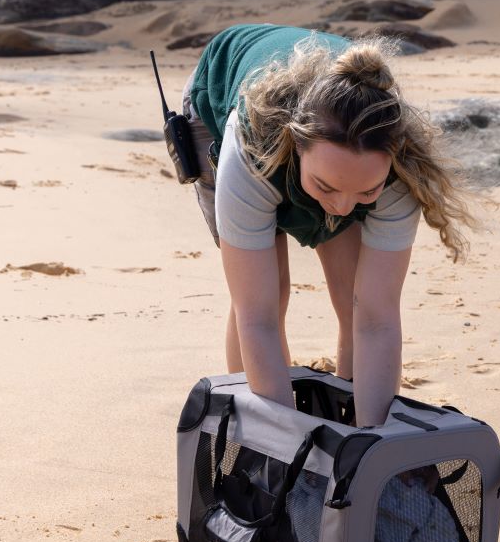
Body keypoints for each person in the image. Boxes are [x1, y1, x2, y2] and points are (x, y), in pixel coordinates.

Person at [181, 24, 476, 428]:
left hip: (329, 135)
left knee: (353, 294)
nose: (340, 207)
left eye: (366, 192)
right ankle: (253, 429)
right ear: (295, 143)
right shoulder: (249, 146)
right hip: (223, 93)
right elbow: (256, 318)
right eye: (326, 187)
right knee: (267, 293)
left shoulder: (401, 172)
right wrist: (286, 441)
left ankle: (356, 422)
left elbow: (377, 319)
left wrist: (372, 443)